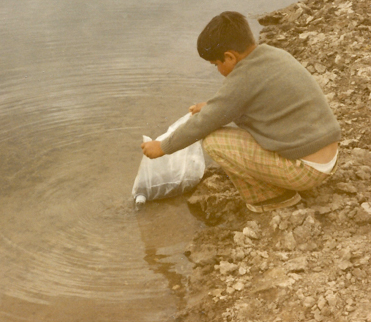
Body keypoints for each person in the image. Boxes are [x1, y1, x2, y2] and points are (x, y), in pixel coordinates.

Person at [141, 11, 341, 213]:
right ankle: (282, 183)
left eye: (216, 64)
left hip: (306, 171)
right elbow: (243, 102)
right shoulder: (272, 55)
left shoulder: (243, 77)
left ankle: (273, 198)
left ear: (229, 57)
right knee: (224, 127)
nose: (218, 69)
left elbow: (203, 124)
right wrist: (210, 106)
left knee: (214, 142)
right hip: (326, 157)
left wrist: (163, 147)